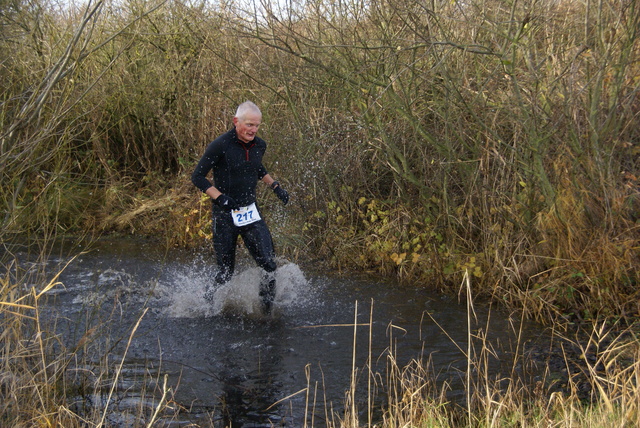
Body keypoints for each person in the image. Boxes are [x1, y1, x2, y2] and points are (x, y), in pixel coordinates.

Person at [191, 101, 289, 314]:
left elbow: (256, 166)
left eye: (257, 126)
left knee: (269, 265)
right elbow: (197, 177)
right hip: (224, 215)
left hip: (250, 213)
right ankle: (206, 308)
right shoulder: (221, 145)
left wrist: (275, 186)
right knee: (226, 272)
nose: (253, 130)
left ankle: (267, 314)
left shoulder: (260, 145)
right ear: (236, 122)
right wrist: (220, 198)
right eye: (249, 125)